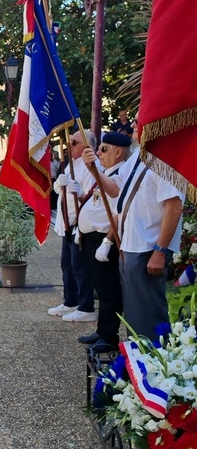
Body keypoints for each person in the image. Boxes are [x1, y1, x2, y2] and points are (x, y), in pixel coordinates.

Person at [82, 121, 184, 342]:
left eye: (141, 121)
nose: (134, 125)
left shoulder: (165, 159)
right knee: (135, 314)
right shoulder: (139, 157)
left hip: (148, 247)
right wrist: (94, 170)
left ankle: (154, 366)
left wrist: (160, 250)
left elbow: (174, 207)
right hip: (130, 244)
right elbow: (116, 189)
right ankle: (138, 364)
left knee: (148, 314)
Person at [73, 133, 130, 350]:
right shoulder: (109, 171)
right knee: (101, 287)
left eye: (103, 149)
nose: (98, 153)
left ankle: (110, 336)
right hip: (92, 237)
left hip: (105, 238)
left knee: (109, 289)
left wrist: (107, 241)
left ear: (118, 152)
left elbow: (117, 204)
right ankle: (102, 331)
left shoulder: (121, 173)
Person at [48, 130, 100, 321]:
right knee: (67, 264)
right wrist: (58, 184)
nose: (69, 145)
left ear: (88, 146)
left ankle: (86, 307)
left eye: (75, 142)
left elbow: (94, 197)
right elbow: (62, 190)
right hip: (66, 222)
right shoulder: (73, 164)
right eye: (70, 142)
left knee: (80, 267)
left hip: (79, 223)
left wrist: (78, 193)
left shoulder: (91, 167)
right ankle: (70, 301)